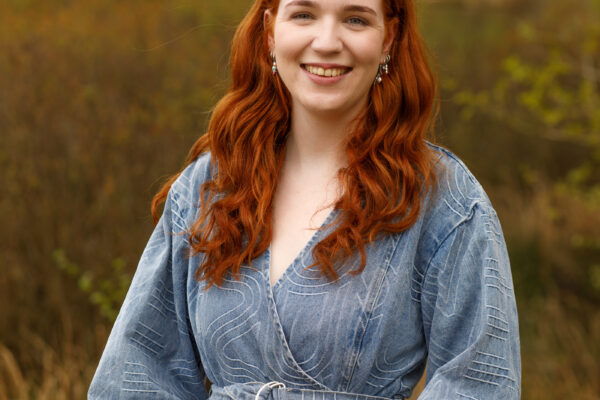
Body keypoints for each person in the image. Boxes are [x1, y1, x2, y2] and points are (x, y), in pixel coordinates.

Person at [88, 0, 521, 398]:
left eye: (355, 19)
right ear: (271, 31)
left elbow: (478, 383)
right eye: (304, 14)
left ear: (388, 37)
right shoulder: (209, 187)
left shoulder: (443, 202)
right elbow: (139, 372)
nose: (327, 42)